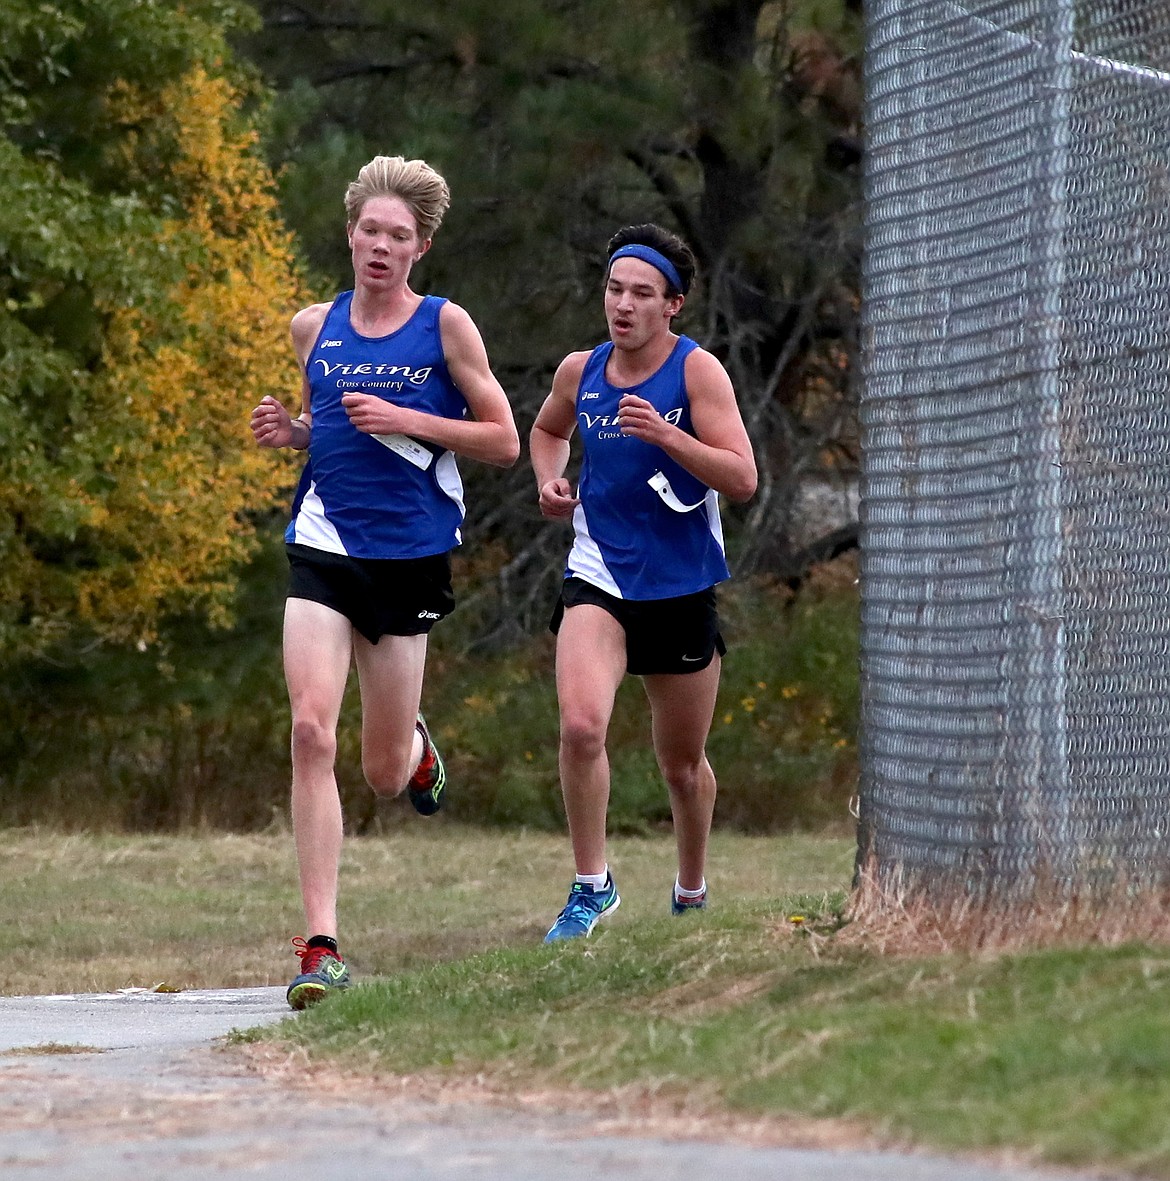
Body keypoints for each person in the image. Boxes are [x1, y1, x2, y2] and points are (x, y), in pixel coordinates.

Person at [250, 155, 519, 1007]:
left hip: (407, 556)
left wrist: (409, 417)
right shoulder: (312, 326)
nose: (380, 245)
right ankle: (320, 945)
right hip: (323, 543)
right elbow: (328, 426)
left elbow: (504, 440)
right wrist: (293, 435)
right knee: (309, 732)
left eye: (398, 236)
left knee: (377, 771)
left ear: (420, 248)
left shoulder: (446, 328)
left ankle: (413, 750)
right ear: (351, 232)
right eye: (370, 229)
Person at [529, 223, 757, 942]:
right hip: (599, 571)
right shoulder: (581, 370)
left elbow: (743, 479)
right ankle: (591, 886)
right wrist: (550, 481)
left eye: (642, 294)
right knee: (580, 724)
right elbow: (545, 431)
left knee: (683, 767)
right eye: (614, 289)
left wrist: (668, 435)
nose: (623, 305)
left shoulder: (697, 374)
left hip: (681, 583)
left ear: (673, 306)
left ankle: (690, 888)